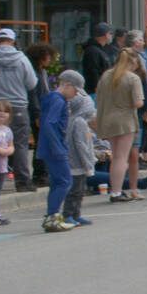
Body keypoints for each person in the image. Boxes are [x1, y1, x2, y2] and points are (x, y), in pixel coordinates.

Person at [0, 27, 38, 193]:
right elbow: (32, 83)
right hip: (17, 105)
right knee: (19, 144)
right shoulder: (22, 60)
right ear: (13, 41)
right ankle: (23, 181)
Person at [94, 47, 143, 203]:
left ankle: (115, 190)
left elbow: (98, 98)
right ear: (132, 61)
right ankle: (116, 192)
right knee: (122, 158)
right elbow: (138, 102)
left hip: (108, 119)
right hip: (125, 121)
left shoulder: (106, 76)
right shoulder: (132, 78)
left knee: (115, 157)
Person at [37, 71, 80, 232]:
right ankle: (52, 216)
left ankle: (52, 215)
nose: (75, 95)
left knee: (56, 182)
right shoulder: (58, 101)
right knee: (65, 181)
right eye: (75, 91)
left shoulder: (51, 99)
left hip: (48, 147)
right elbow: (49, 124)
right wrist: (58, 148)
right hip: (55, 148)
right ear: (67, 85)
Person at [63, 86, 97, 227]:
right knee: (75, 191)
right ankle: (68, 214)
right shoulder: (79, 122)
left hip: (80, 162)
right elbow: (81, 145)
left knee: (80, 190)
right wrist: (88, 162)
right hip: (77, 163)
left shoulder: (79, 121)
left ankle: (76, 214)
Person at [81, 22, 117, 95]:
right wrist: (98, 88)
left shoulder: (100, 50)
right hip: (95, 92)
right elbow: (93, 72)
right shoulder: (93, 51)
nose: (110, 36)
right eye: (110, 33)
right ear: (106, 35)